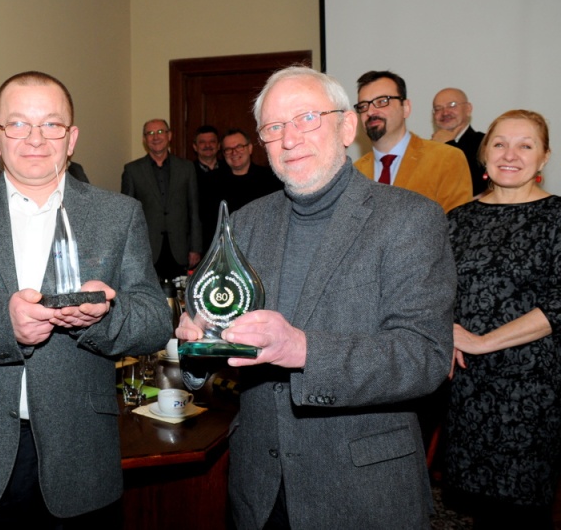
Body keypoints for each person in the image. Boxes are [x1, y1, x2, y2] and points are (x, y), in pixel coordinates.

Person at [176, 66, 454, 529]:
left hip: (363, 492)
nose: (289, 139)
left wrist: (303, 349)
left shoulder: (410, 219)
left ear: (347, 127)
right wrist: (198, 345)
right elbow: (216, 330)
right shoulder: (243, 224)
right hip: (259, 489)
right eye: (274, 127)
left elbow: (423, 356)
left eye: (306, 118)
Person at [0, 71, 170, 529]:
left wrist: (104, 318)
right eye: (18, 124)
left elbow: (154, 319)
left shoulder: (118, 215)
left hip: (79, 456)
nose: (36, 139)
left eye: (51, 125)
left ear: (72, 137)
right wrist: (4, 325)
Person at [445, 109, 560, 529]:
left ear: (544, 158)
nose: (510, 154)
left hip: (531, 392)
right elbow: (434, 295)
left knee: (521, 513)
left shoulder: (557, 218)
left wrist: (480, 341)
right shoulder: (457, 220)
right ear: (484, 154)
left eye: (525, 145)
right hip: (466, 388)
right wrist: (445, 335)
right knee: (477, 508)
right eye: (499, 143)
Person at [353, 70, 473, 212]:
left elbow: (456, 227)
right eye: (363, 106)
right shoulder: (355, 174)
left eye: (382, 102)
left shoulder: (446, 159)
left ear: (406, 108)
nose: (371, 112)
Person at [122, 118, 202, 280]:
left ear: (169, 135)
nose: (155, 137)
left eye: (160, 132)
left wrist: (195, 247)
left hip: (180, 248)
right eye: (150, 133)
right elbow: (126, 214)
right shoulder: (132, 170)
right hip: (147, 249)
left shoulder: (186, 168)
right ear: (144, 139)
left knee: (179, 299)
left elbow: (194, 210)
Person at [198, 128, 282, 245]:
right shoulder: (211, 182)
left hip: (262, 246)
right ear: (223, 154)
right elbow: (207, 223)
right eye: (228, 149)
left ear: (250, 148)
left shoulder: (270, 179)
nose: (234, 152)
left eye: (239, 147)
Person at [431, 88, 487, 196]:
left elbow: (477, 186)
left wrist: (449, 144)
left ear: (468, 109)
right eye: (438, 109)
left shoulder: (484, 142)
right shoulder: (427, 148)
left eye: (452, 105)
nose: (445, 112)